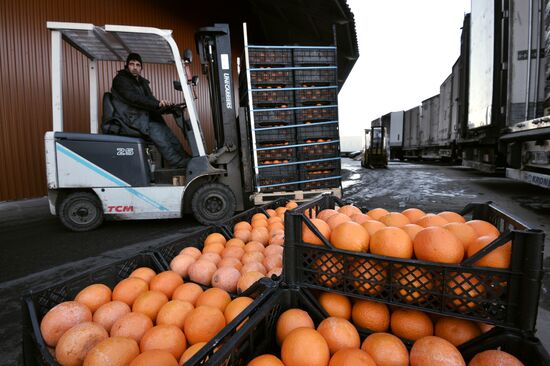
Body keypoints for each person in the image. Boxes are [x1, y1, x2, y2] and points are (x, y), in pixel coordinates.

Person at [111, 52, 190, 168]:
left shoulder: (142, 82)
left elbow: (150, 101)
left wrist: (166, 107)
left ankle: (185, 159)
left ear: (141, 68)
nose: (135, 67)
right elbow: (134, 99)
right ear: (127, 65)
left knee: (167, 132)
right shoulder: (121, 80)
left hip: (142, 115)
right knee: (157, 129)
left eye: (138, 65)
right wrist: (157, 103)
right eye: (132, 64)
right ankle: (176, 162)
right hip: (129, 117)